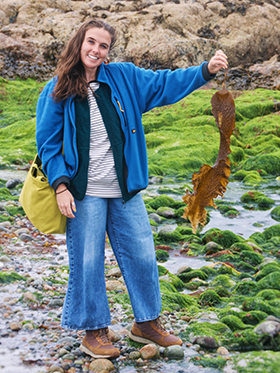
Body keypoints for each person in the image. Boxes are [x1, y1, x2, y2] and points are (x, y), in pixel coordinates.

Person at [36, 18, 228, 359]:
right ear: (79, 42)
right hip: (84, 191)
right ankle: (93, 330)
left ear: (109, 52)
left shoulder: (124, 78)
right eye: (91, 42)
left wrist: (205, 71)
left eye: (103, 46)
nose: (95, 50)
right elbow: (48, 144)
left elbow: (164, 83)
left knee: (142, 253)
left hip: (124, 187)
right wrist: (61, 185)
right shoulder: (56, 89)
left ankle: (146, 324)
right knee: (88, 259)